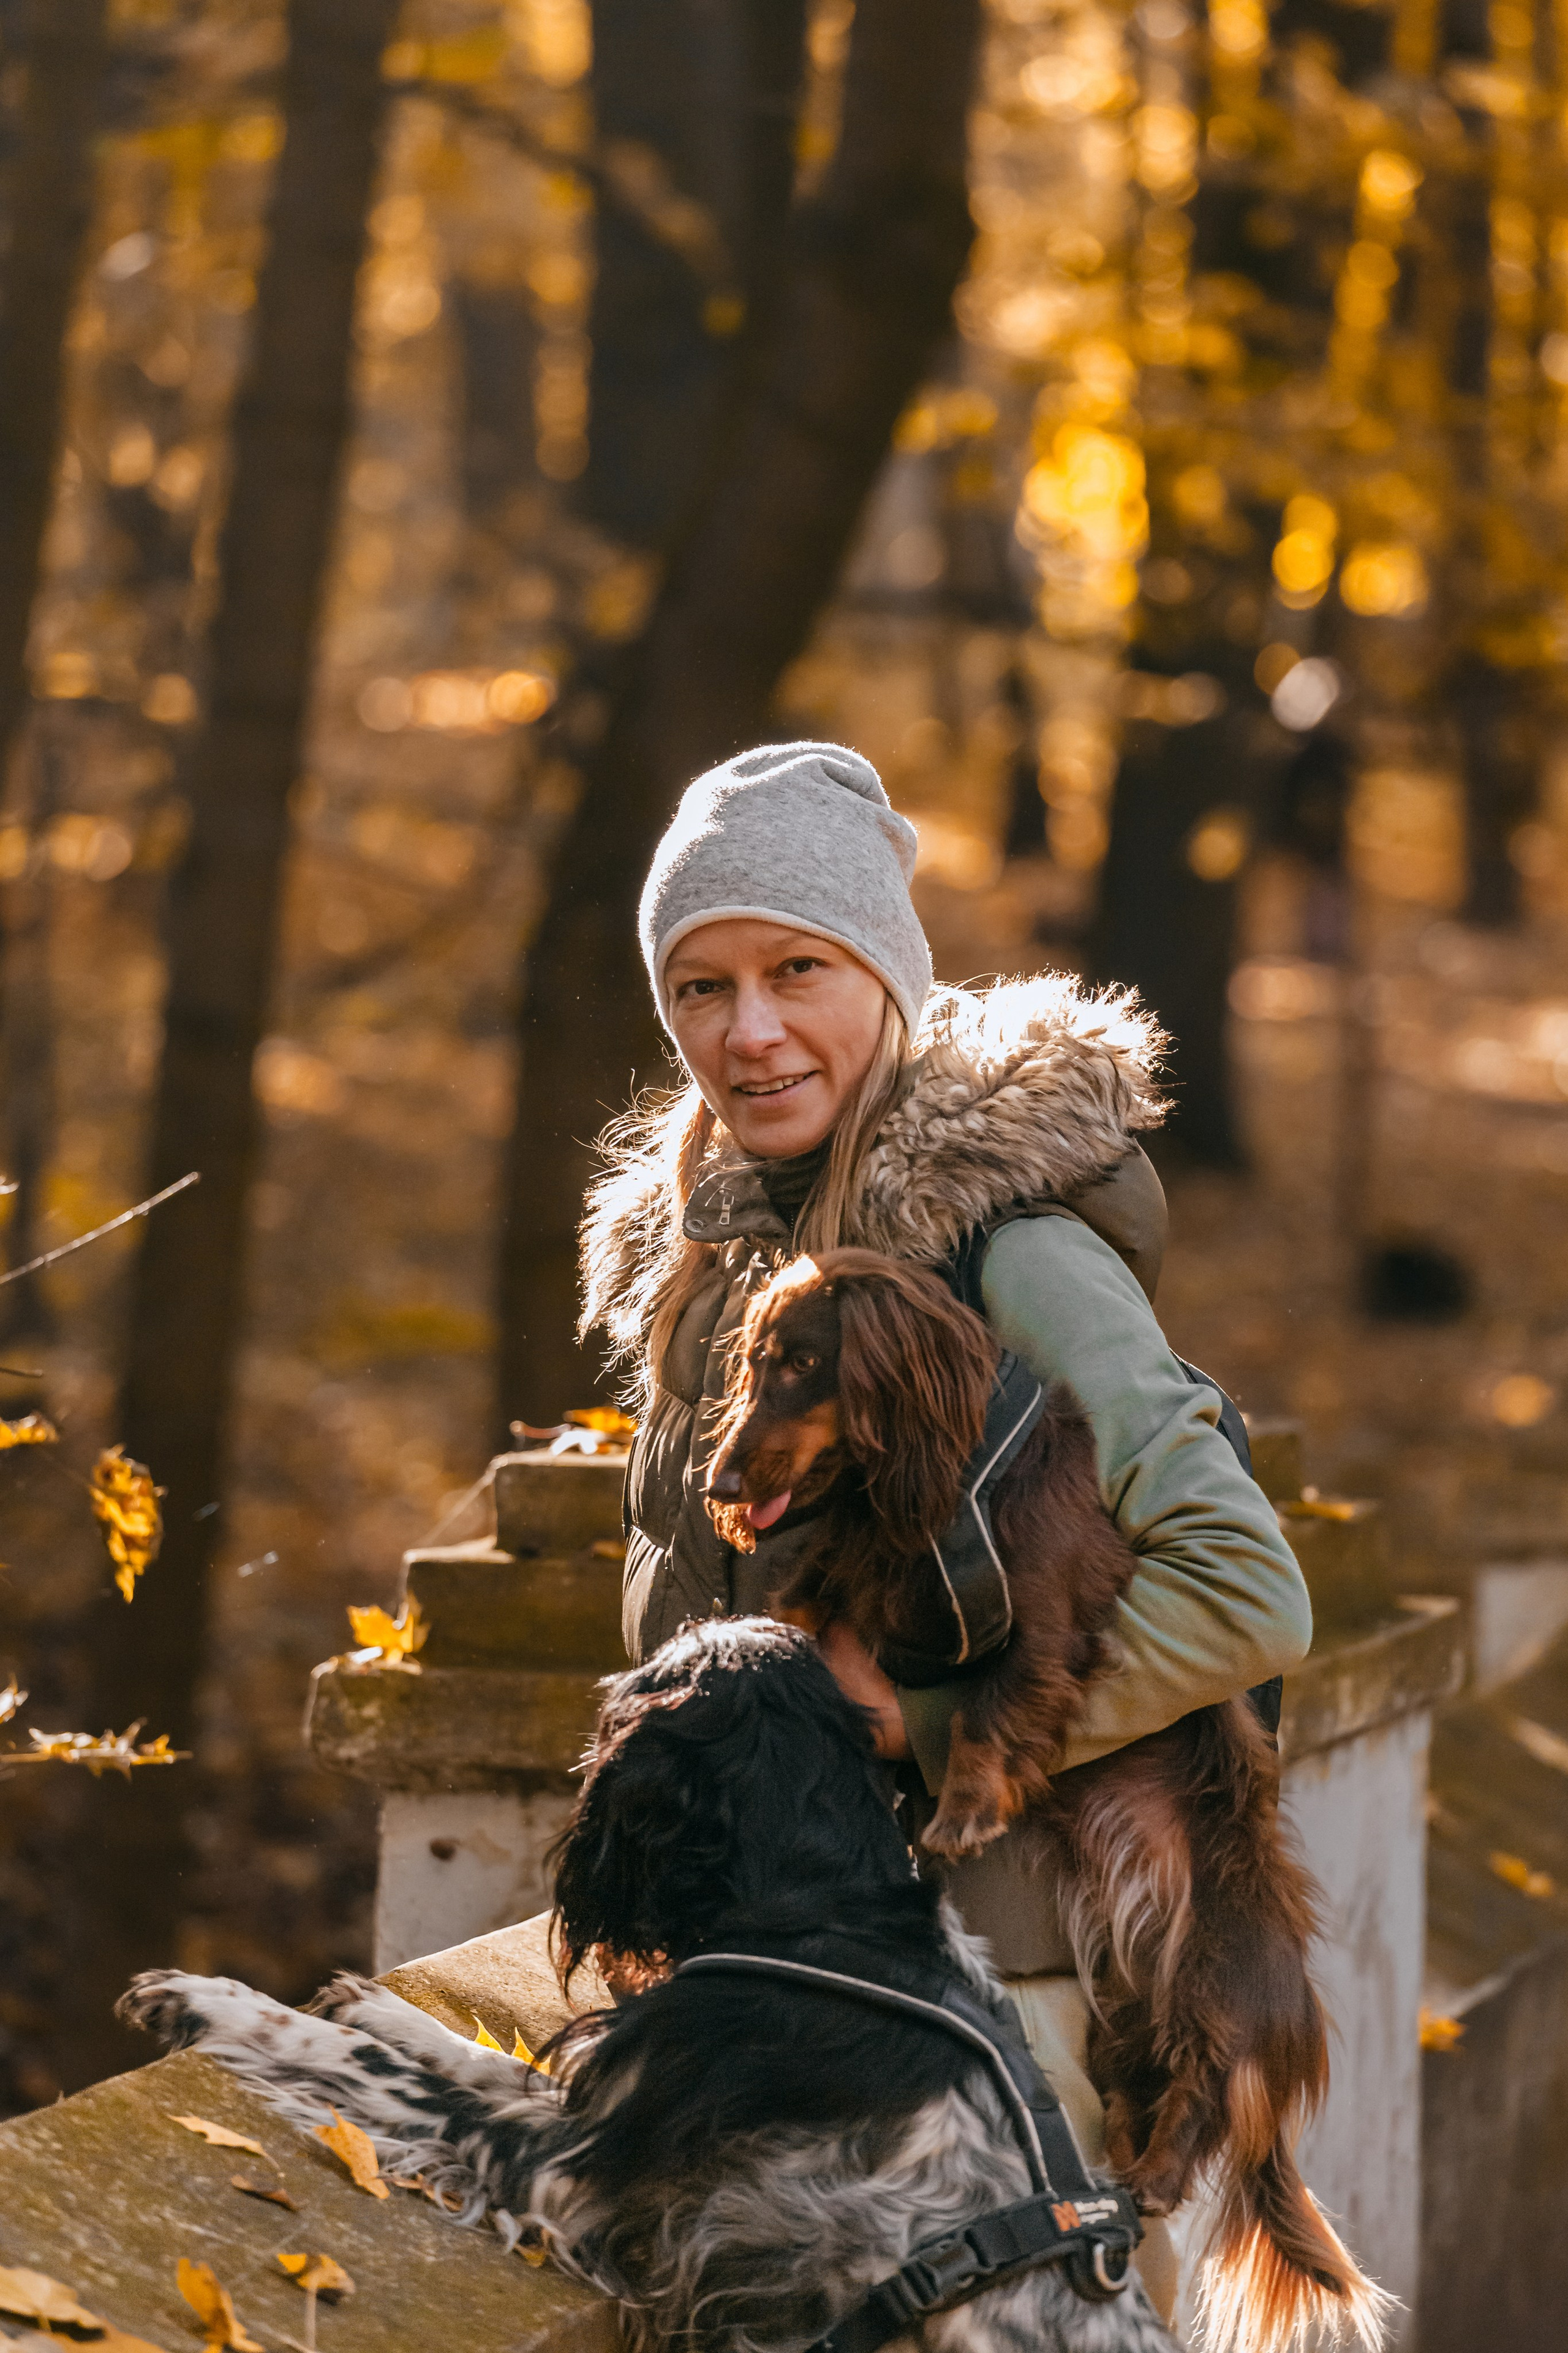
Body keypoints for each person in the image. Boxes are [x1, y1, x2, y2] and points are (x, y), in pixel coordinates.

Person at [580, 739, 1313, 2317]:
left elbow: (1249, 1591)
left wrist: (912, 1718)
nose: (750, 1029)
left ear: (890, 982)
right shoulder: (709, 1273)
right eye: (700, 988)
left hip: (1017, 2022)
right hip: (800, 1990)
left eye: (797, 969)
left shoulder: (1012, 1253)